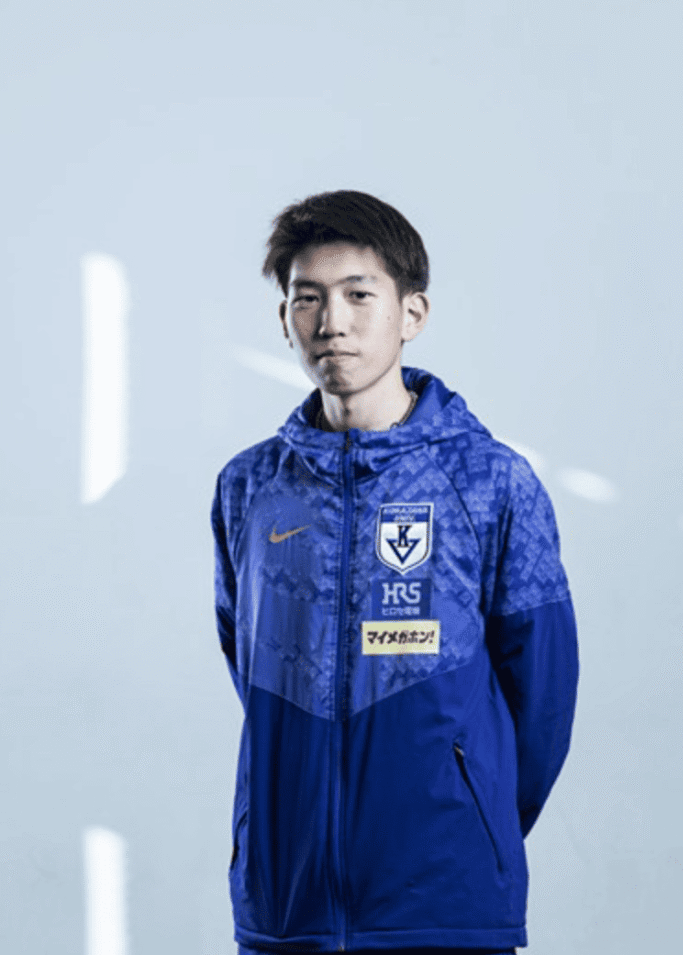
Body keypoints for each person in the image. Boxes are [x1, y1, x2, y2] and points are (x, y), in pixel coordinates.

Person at [210, 189, 580, 955]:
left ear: (412, 313)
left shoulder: (489, 481)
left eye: (358, 295)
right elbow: (247, 662)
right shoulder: (249, 486)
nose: (331, 322)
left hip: (445, 901)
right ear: (284, 318)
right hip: (285, 905)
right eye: (307, 298)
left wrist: (471, 821)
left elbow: (542, 693)